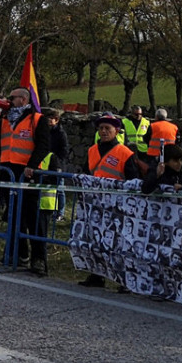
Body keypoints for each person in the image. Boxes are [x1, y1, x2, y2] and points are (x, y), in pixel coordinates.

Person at [0, 86, 52, 276]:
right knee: (14, 215)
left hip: (28, 173)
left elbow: (43, 145)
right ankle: (18, 253)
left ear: (23, 100)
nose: (8, 100)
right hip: (9, 172)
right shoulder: (6, 119)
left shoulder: (37, 120)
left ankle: (39, 258)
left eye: (12, 97)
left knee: (33, 218)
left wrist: (31, 165)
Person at [78, 113, 139, 288]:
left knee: (119, 242)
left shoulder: (125, 153)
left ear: (116, 131)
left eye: (107, 129)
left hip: (117, 205)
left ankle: (123, 280)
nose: (104, 131)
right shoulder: (91, 150)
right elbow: (86, 174)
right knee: (95, 239)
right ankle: (97, 274)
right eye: (101, 128)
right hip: (95, 203)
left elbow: (132, 180)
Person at [45, 109, 70, 220]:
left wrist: (58, 163)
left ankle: (60, 212)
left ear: (57, 120)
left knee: (59, 189)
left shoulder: (60, 133)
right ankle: (51, 210)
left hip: (58, 165)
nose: (50, 121)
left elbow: (64, 151)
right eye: (48, 118)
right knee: (50, 188)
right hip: (46, 164)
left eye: (52, 119)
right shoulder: (45, 132)